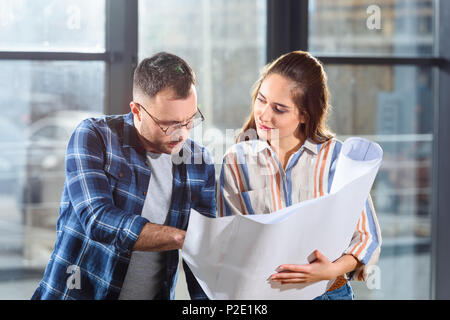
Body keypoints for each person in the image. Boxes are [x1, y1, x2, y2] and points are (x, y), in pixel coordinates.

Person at [31, 52, 216, 300]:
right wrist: (181, 237)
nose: (181, 134)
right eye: (169, 124)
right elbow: (98, 219)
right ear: (137, 111)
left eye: (190, 120)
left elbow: (202, 256)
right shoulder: (95, 136)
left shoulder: (199, 162)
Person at [216, 51, 381, 300]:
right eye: (261, 100)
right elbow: (227, 238)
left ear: (304, 115)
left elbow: (366, 237)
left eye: (279, 109)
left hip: (328, 294)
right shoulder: (236, 160)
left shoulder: (338, 159)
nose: (264, 115)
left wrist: (330, 270)